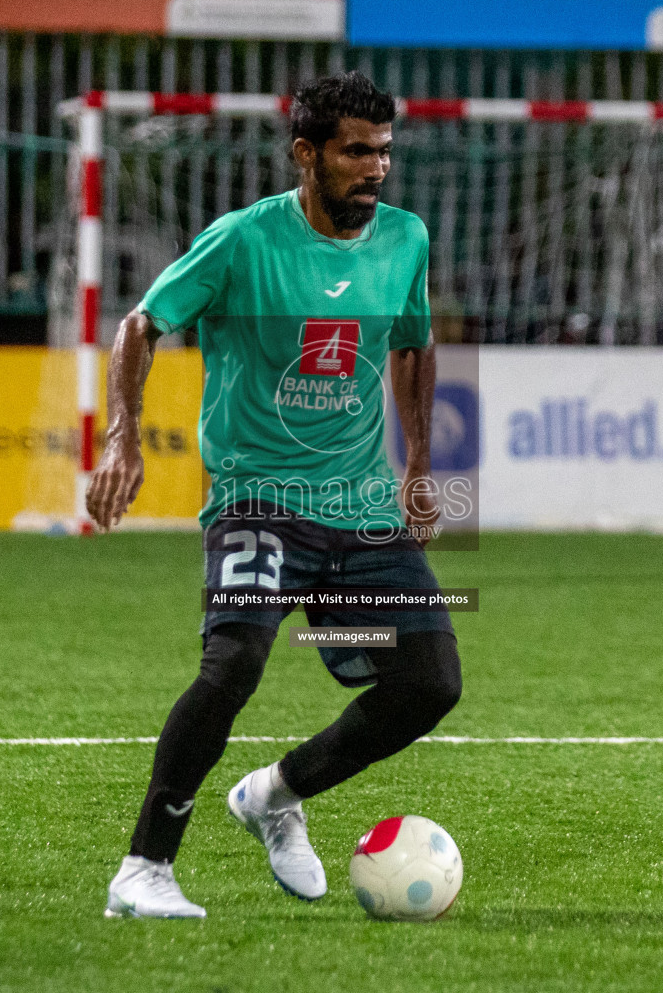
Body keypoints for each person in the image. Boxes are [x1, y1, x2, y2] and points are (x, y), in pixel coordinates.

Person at [88, 71, 462, 920]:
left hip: (363, 513)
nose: (376, 169)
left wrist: (416, 469)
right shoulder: (243, 241)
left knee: (429, 682)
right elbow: (140, 325)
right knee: (236, 663)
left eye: (385, 152)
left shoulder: (405, 240)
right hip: (261, 501)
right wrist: (123, 436)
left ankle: (276, 794)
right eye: (356, 151)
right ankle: (143, 868)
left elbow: (412, 345)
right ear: (307, 154)